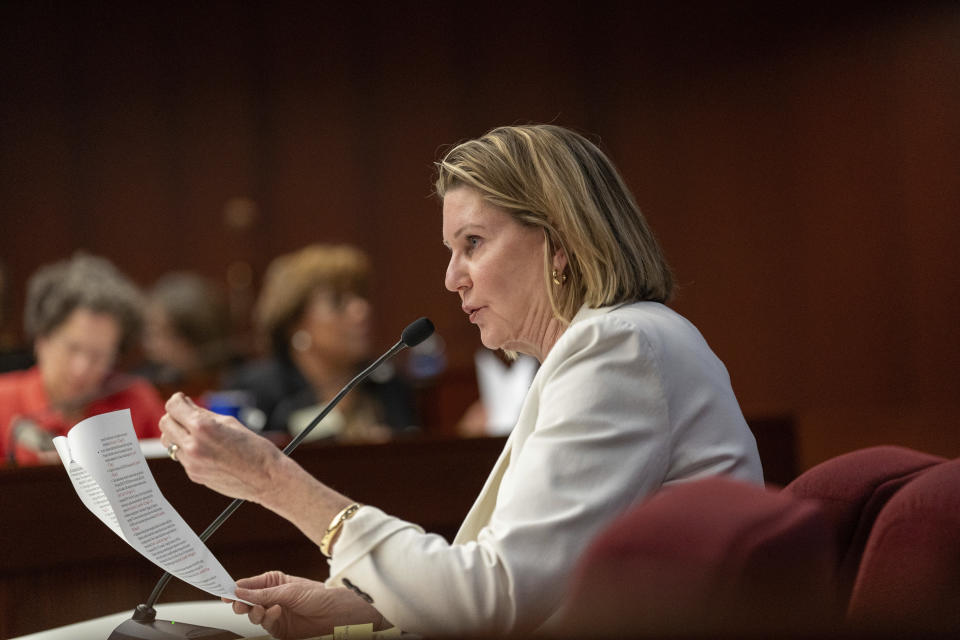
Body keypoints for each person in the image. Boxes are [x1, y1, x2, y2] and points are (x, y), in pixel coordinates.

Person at [158, 125, 763, 637]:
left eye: (472, 244)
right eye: (452, 250)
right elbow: (521, 582)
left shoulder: (615, 348)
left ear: (559, 242)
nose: (453, 279)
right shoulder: (622, 341)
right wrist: (360, 609)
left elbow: (494, 600)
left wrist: (273, 479)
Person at [221, 243, 419, 442]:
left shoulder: (388, 383)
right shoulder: (256, 391)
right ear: (294, 322)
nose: (362, 310)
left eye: (361, 296)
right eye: (338, 301)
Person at [0, 253, 164, 465]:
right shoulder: (4, 401)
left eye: (99, 355)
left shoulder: (135, 401)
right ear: (41, 339)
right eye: (72, 348)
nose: (81, 368)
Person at [139, 271, 236, 399]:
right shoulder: (143, 386)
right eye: (149, 332)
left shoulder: (238, 385)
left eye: (160, 333)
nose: (149, 344)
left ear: (193, 338)